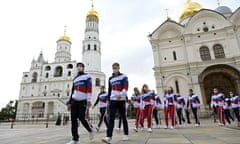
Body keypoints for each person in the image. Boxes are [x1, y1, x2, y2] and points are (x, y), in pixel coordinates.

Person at [66, 62, 94, 144]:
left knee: (82, 117)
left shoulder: (87, 76)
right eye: (78, 66)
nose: (79, 68)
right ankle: (75, 138)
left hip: (83, 101)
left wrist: (88, 100)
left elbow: (89, 88)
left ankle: (90, 130)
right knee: (73, 119)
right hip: (74, 100)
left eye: (81, 66)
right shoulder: (75, 79)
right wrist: (69, 103)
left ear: (83, 67)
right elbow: (72, 92)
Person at [102, 62, 129, 144]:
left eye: (116, 67)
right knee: (111, 118)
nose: (115, 68)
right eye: (113, 67)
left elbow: (126, 86)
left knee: (123, 117)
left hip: (121, 100)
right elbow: (110, 90)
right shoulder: (110, 78)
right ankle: (108, 136)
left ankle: (126, 134)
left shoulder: (123, 76)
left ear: (119, 67)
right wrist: (109, 100)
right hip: (113, 100)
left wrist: (121, 94)